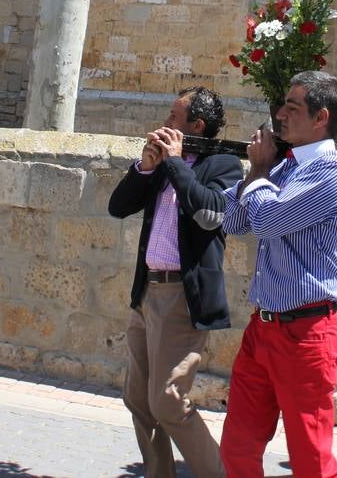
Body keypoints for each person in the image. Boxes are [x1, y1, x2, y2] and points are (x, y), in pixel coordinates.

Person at [219, 71, 337, 478]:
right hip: (263, 330)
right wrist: (256, 173)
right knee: (238, 447)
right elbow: (233, 219)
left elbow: (268, 219)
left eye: (292, 108)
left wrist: (259, 172)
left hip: (307, 334)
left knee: (311, 460)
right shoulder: (284, 166)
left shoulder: (332, 170)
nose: (279, 114)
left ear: (321, 117)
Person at [108, 87, 242, 478]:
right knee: (138, 398)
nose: (165, 123)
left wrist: (176, 162)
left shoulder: (223, 165)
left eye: (173, 116)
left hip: (181, 298)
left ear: (196, 125)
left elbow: (208, 212)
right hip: (146, 292)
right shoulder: (164, 165)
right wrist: (146, 168)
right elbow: (118, 208)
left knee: (167, 401)